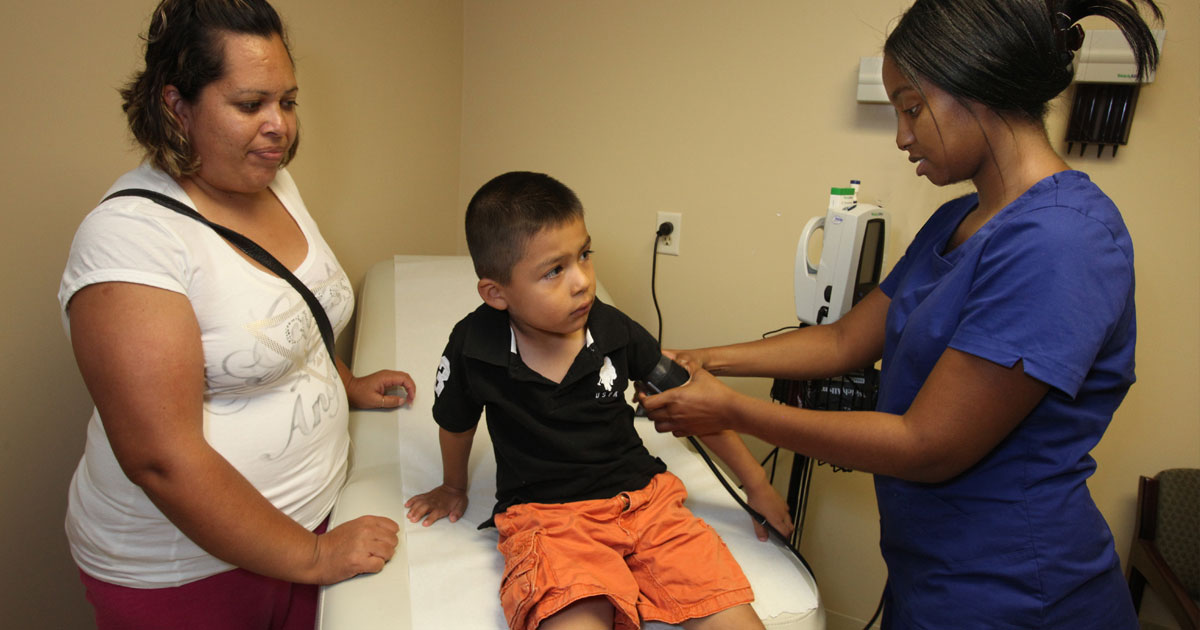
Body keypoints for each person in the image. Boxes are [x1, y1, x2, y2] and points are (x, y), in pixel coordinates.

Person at [642, 0, 1162, 628]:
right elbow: (841, 342)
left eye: (911, 107)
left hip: (1017, 593)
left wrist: (730, 409)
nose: (901, 135)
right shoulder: (957, 221)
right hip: (933, 574)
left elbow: (927, 445)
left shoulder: (1060, 241)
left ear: (979, 82)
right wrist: (707, 359)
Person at [58, 1, 414, 628]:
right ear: (177, 106)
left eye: (288, 101)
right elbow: (160, 460)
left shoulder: (269, 181)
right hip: (188, 572)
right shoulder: (128, 238)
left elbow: (288, 310)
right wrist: (312, 554)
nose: (279, 126)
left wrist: (345, 383)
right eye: (251, 105)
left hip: (312, 523)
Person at [403, 171, 793, 630]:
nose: (582, 281)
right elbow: (456, 420)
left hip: (646, 504)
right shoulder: (474, 348)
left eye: (585, 255)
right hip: (551, 522)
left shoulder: (614, 330)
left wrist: (758, 486)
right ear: (496, 293)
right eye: (555, 271)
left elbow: (695, 402)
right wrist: (454, 486)